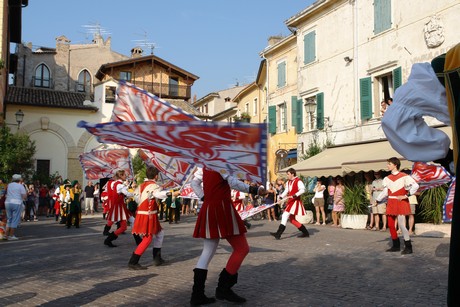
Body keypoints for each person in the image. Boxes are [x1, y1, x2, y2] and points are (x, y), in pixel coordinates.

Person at [189, 167, 266, 305]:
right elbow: (232, 182)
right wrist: (255, 190)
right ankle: (224, 289)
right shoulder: (220, 163)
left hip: (209, 208)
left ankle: (197, 295)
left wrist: (204, 197)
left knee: (207, 252)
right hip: (222, 208)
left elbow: (194, 183)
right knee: (242, 248)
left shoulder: (204, 165)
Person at [128, 166, 177, 270]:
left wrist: (166, 186)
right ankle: (133, 261)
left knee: (160, 233)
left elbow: (139, 197)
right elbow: (157, 193)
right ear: (156, 176)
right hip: (148, 215)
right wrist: (171, 193)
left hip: (144, 213)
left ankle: (157, 259)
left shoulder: (142, 185)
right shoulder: (154, 186)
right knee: (147, 238)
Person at [376, 157, 419, 254]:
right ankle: (396, 245)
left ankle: (408, 247)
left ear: (395, 165)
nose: (387, 165)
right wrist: (377, 200)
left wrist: (406, 195)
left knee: (402, 225)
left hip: (400, 202)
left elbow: (415, 186)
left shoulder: (404, 176)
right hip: (391, 202)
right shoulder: (387, 178)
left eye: (389, 164)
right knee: (391, 225)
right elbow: (386, 191)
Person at [270, 168, 310, 239]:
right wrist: (281, 197)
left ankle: (278, 234)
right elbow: (286, 191)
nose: (287, 176)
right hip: (291, 201)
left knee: (285, 215)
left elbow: (303, 189)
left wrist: (295, 195)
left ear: (292, 174)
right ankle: (305, 232)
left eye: (288, 174)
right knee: (292, 220)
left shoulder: (298, 181)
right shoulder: (288, 182)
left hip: (295, 202)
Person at [104, 170, 133, 247]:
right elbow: (127, 193)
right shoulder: (119, 185)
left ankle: (108, 239)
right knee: (123, 226)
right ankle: (108, 239)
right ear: (121, 176)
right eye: (124, 175)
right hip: (119, 207)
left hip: (119, 206)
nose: (126, 176)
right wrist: (136, 193)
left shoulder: (116, 184)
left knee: (124, 225)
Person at [4, 174, 27, 240]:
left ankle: (6, 235)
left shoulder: (9, 185)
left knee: (9, 219)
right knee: (15, 219)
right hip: (17, 203)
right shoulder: (20, 186)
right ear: (19, 179)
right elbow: (24, 196)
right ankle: (11, 235)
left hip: (8, 202)